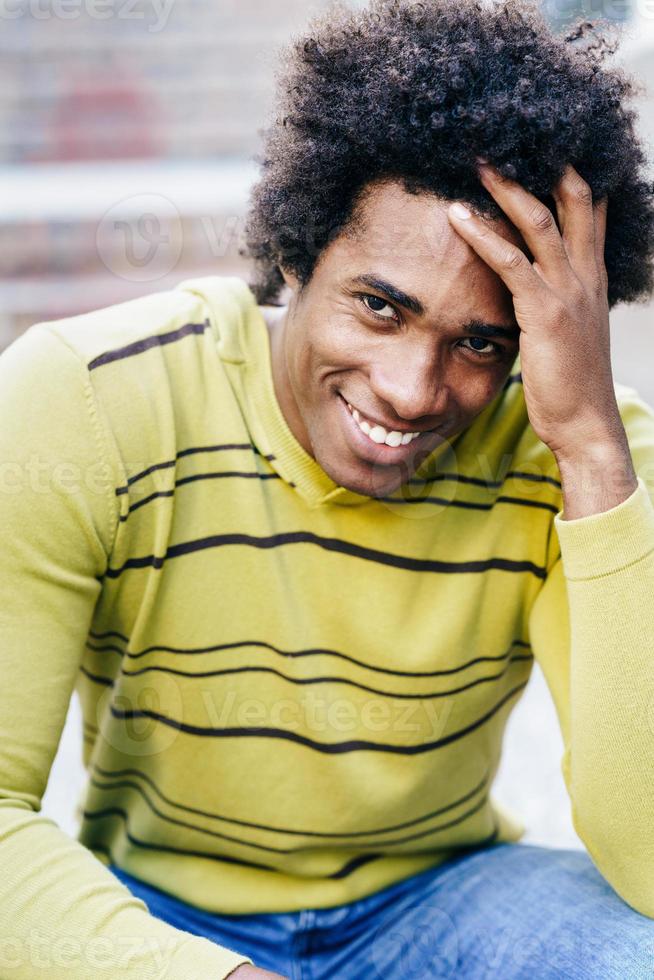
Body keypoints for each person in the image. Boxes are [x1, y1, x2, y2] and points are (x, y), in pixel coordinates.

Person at [2, 0, 654, 977]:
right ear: (297, 252)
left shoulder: (579, 452)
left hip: (440, 895)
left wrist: (594, 454)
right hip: (160, 910)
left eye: (482, 342)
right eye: (379, 305)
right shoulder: (90, 395)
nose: (412, 388)